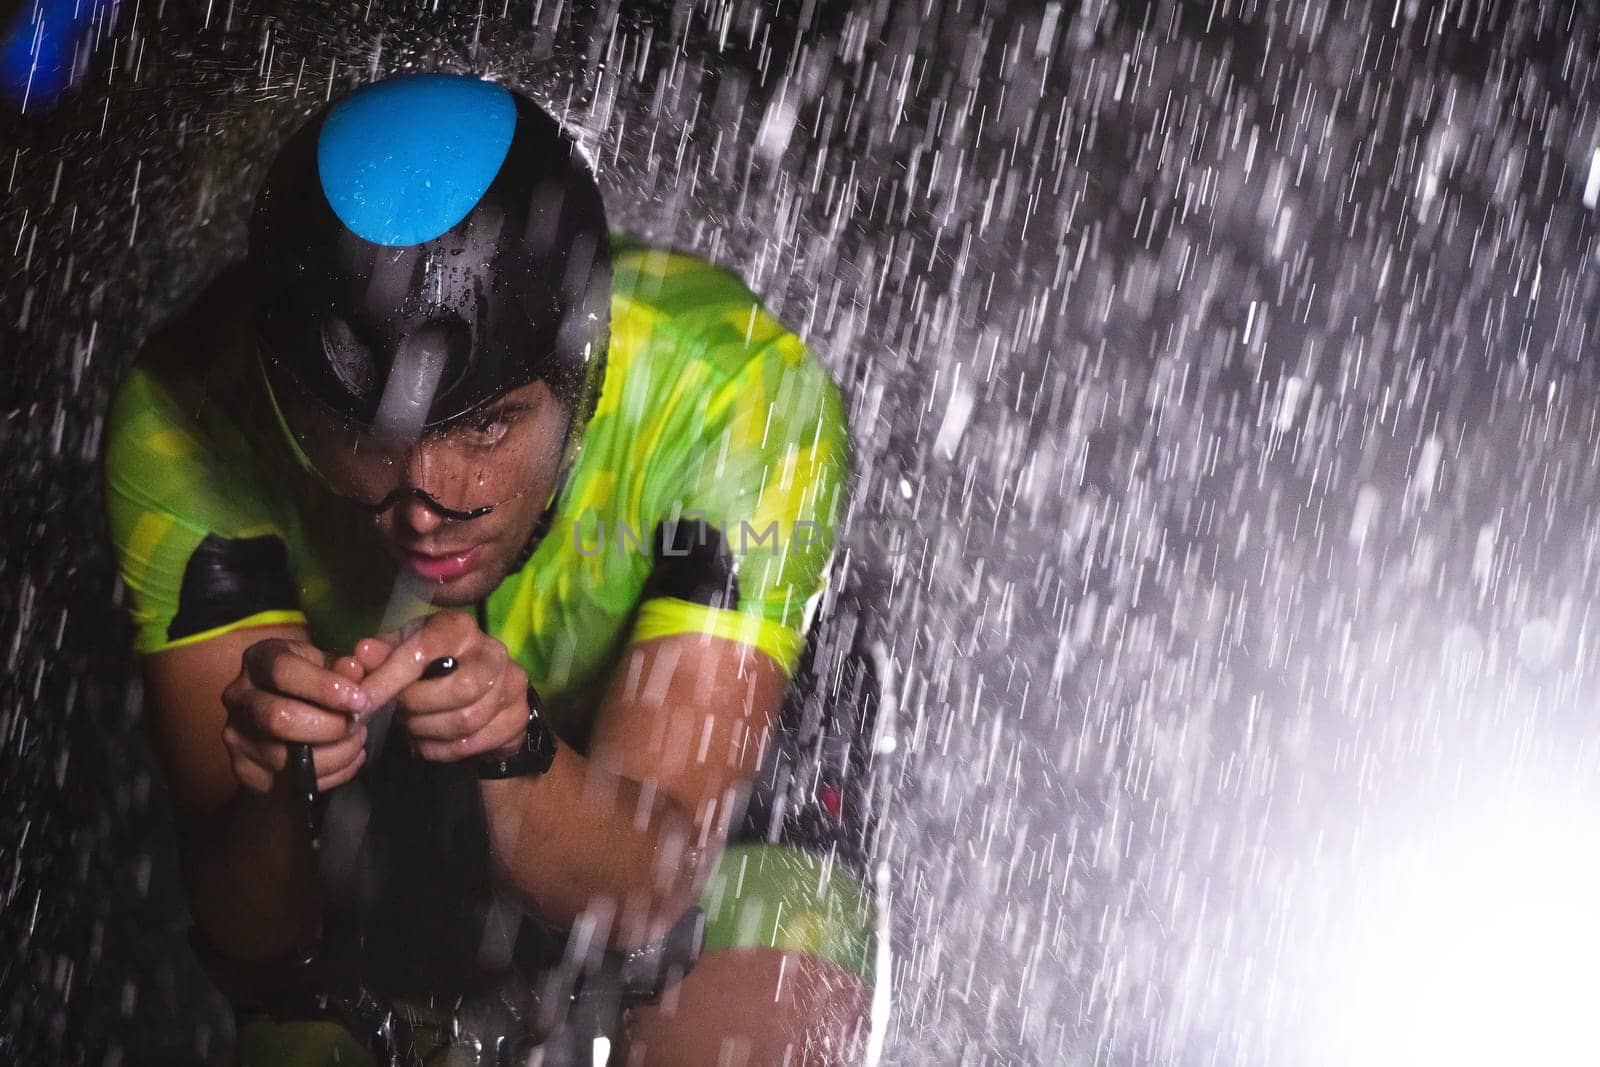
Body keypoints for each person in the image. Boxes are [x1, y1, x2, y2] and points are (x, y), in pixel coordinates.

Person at [102, 71, 879, 1065]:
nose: (427, 495)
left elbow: (645, 889)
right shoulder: (185, 418)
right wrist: (279, 783)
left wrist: (517, 751)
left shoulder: (737, 394)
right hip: (401, 802)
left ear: (579, 378)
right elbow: (257, 941)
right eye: (364, 436)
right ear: (290, 402)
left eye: (486, 425)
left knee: (762, 995)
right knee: (293, 1025)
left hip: (693, 808)